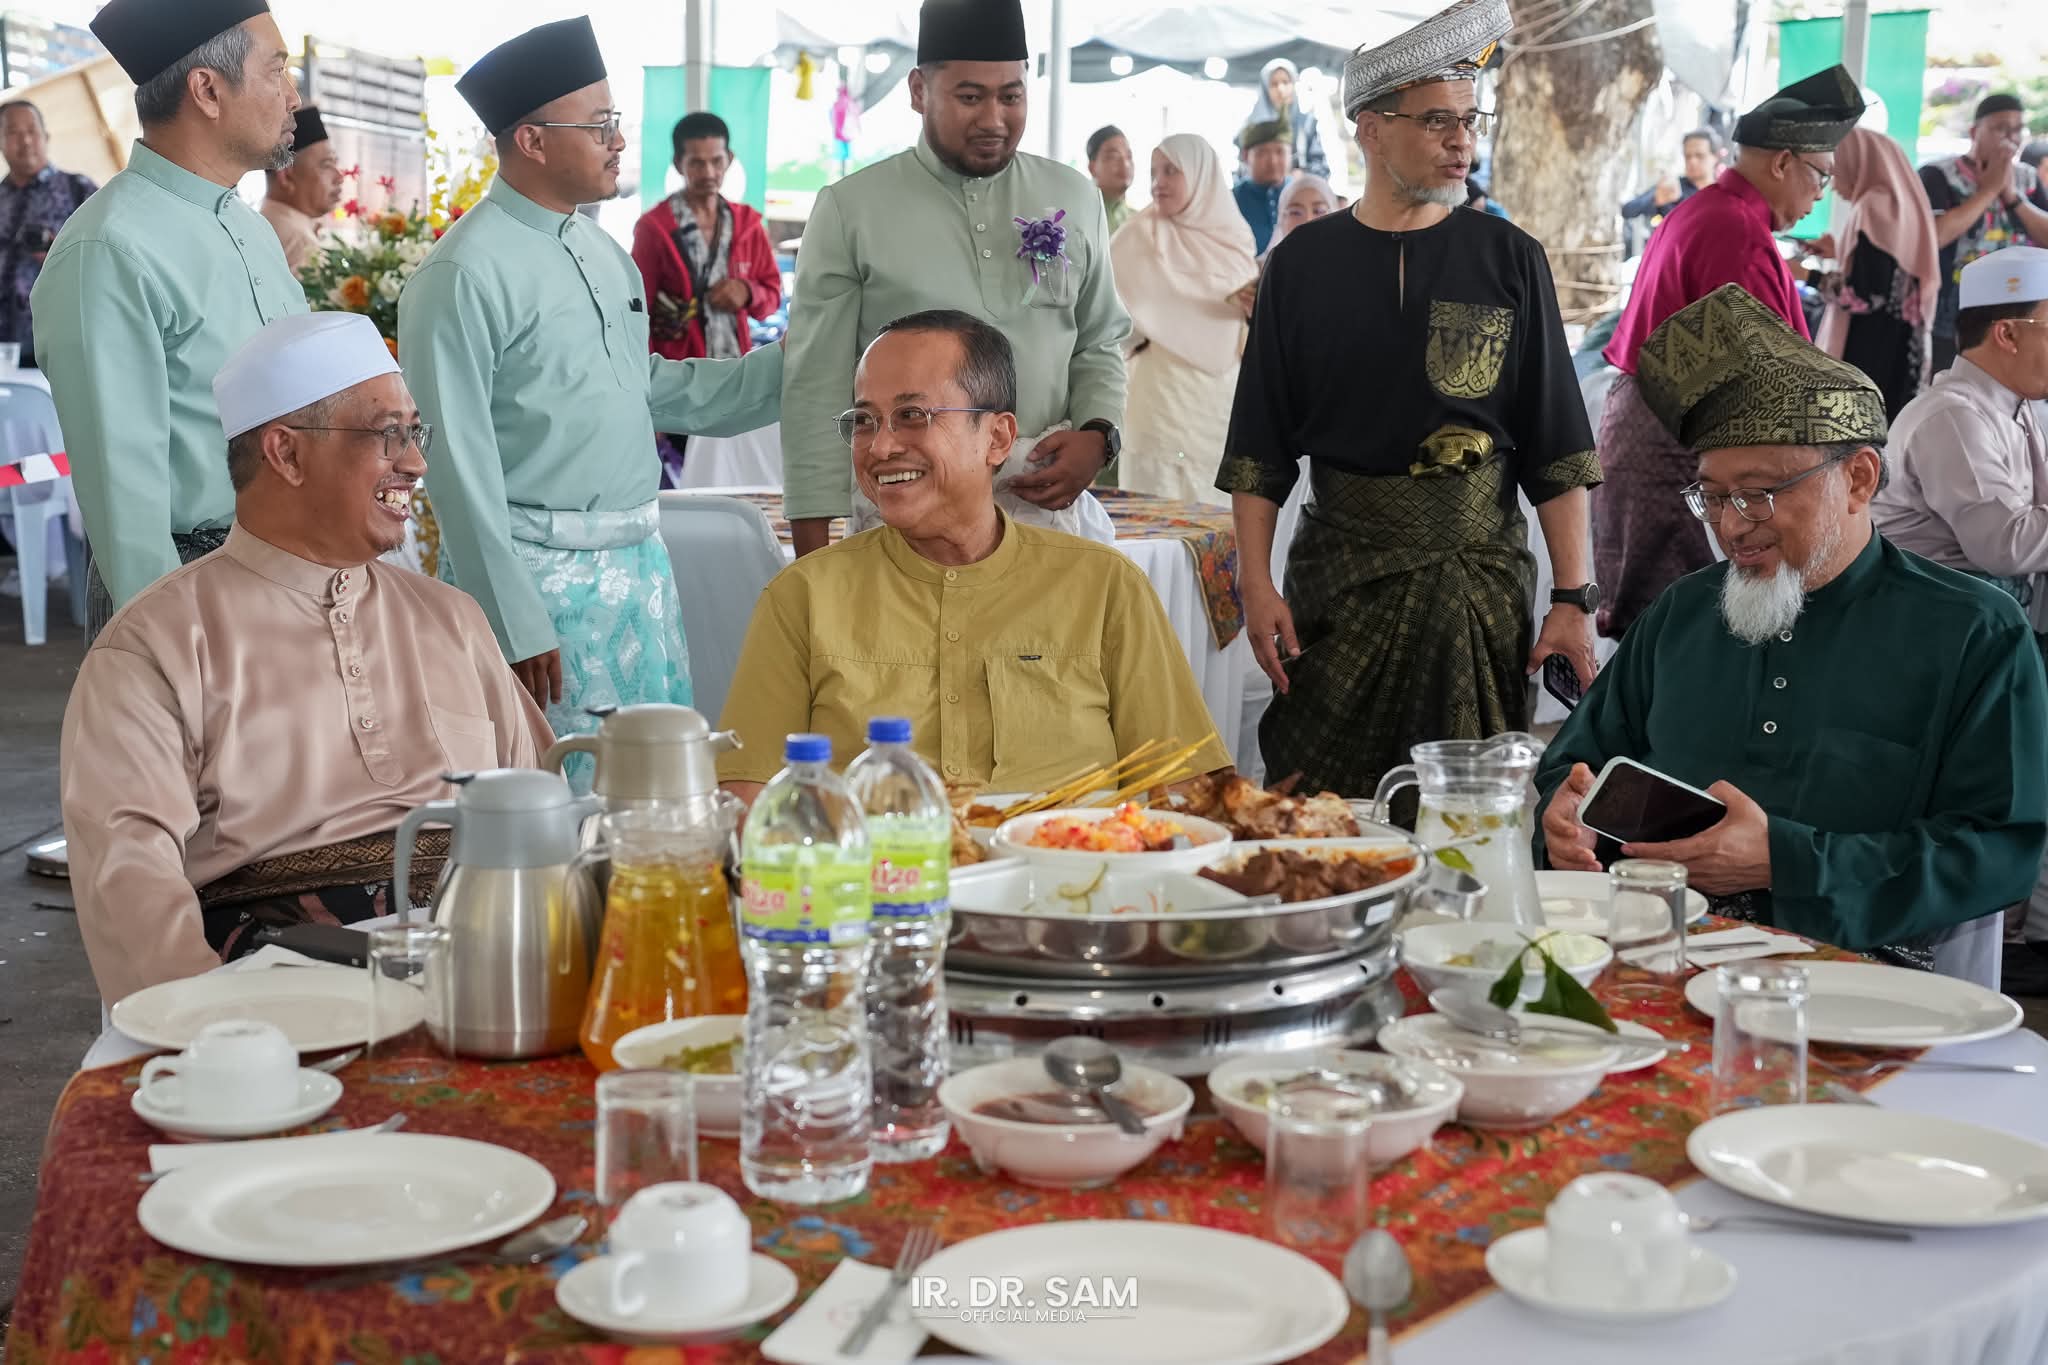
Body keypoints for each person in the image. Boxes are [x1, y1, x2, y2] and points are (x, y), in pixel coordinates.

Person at [1539, 283, 2047, 968]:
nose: (1731, 526)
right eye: (1713, 497)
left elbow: (1998, 850)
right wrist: (1561, 819)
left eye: (1760, 493)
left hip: (1866, 991)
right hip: (1652, 960)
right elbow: (1573, 763)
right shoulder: (1682, 614)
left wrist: (1786, 862)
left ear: (1860, 479)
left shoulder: (1974, 632)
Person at [60, 312, 553, 1003]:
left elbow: (543, 811)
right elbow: (130, 889)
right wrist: (215, 1040)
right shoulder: (155, 645)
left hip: (494, 973)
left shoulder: (452, 619)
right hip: (280, 1001)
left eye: (415, 432)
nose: (415, 462)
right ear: (286, 454)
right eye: (388, 435)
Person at [1220, 0, 1601, 799]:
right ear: (1369, 125)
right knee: (1317, 803)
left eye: (1470, 120)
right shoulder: (1300, 266)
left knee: (1467, 812)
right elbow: (1259, 447)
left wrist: (1572, 598)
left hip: (1477, 582)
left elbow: (1557, 448)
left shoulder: (1510, 259)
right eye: (1436, 121)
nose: (1461, 141)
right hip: (1338, 580)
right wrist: (1255, 584)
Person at [398, 16, 781, 782]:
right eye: (600, 124)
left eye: (618, 122)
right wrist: (510, 611)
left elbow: (648, 390)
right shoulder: (461, 273)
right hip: (539, 582)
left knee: (652, 799)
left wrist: (795, 369)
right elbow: (454, 461)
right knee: (559, 805)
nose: (618, 141)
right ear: (532, 141)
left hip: (641, 566)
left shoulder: (603, 253)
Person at [718, 311, 1230, 798]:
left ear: (998, 437)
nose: (879, 448)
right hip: (872, 883)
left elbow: (1186, 790)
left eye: (912, 416)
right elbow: (747, 794)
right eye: (865, 421)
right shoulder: (804, 597)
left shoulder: (1104, 587)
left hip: (1073, 877)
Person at [780, 0, 1129, 558]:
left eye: (1011, 96)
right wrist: (814, 566)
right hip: (907, 518)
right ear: (919, 91)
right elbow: (814, 387)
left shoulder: (1074, 197)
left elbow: (1099, 340)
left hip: (1046, 513)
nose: (993, 119)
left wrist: (1098, 435)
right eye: (970, 97)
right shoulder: (852, 209)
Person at [32, 0, 307, 635]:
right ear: (208, 90)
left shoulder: (247, 226)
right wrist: (173, 649)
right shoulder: (108, 247)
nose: (294, 96)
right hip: (186, 587)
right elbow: (122, 490)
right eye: (277, 70)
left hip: (285, 564)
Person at [1594, 65, 1863, 639]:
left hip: (1658, 429)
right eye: (1819, 178)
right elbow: (1763, 382)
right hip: (1681, 443)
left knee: (1666, 627)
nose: (1817, 199)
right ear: (1783, 162)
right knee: (1686, 633)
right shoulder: (1734, 229)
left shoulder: (1716, 210)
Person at [1872, 247, 2048, 620]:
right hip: (1935, 622)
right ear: (2008, 334)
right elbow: (2006, 545)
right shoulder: (1953, 416)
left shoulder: (2022, 404)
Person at [1111, 135, 1257, 506]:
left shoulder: (1235, 238)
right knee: (1155, 512)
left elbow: (1251, 333)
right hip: (1159, 397)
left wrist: (1254, 313)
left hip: (1219, 402)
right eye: (1153, 172)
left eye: (1171, 171)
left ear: (1201, 175)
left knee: (1217, 518)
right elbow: (1107, 321)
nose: (1158, 182)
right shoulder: (1135, 238)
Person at [632, 111, 782, 365]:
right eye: (697, 163)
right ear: (679, 163)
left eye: (716, 161)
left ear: (730, 159)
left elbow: (772, 296)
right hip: (677, 374)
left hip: (736, 368)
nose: (709, 172)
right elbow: (637, 308)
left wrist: (747, 292)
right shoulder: (653, 228)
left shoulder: (749, 225)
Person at [1813, 128, 1940, 420]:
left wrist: (1806, 276)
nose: (1831, 185)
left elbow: (1866, 296)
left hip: (1871, 351)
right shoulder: (1900, 202)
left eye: (1835, 170)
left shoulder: (1872, 206)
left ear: (1857, 162)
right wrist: (1840, 252)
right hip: (1901, 347)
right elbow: (1889, 269)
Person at [1920, 95, 2048, 374]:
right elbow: (1932, 237)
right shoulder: (1938, 175)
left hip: (2020, 306)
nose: (2010, 138)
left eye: (2017, 130)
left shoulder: (2027, 178)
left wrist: (2013, 197)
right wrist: (1988, 191)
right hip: (1953, 308)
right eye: (2001, 128)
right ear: (1975, 132)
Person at [0, 101, 95, 368]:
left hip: (57, 348)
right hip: (4, 352)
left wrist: (58, 254)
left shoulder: (78, 190)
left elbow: (107, 260)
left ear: (46, 136)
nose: (26, 140)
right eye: (13, 133)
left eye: (32, 130)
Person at [258, 104, 342, 273]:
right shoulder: (296, 239)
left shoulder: (264, 224)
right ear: (286, 176)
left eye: (335, 163)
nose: (339, 177)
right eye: (326, 165)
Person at [1620, 127, 1721, 248]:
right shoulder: (1672, 186)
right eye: (1687, 156)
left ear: (1715, 157)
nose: (1692, 161)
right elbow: (1628, 210)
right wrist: (1656, 199)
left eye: (1699, 156)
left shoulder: (1724, 194)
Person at [1245, 58, 1328, 181]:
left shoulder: (1306, 124)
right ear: (1265, 89)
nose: (1281, 89)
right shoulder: (1252, 126)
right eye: (1274, 84)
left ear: (1294, 84)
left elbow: (1321, 167)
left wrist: (1303, 176)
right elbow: (1242, 167)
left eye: (1286, 82)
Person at [1233, 120, 1291, 254]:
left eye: (1280, 151)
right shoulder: (1231, 201)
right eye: (1262, 153)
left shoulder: (1303, 193)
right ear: (1246, 156)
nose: (1272, 161)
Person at [1087, 124, 1136, 236]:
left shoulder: (1141, 220)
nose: (1125, 164)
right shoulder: (1079, 216)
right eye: (1114, 156)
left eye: (1129, 156)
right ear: (1092, 167)